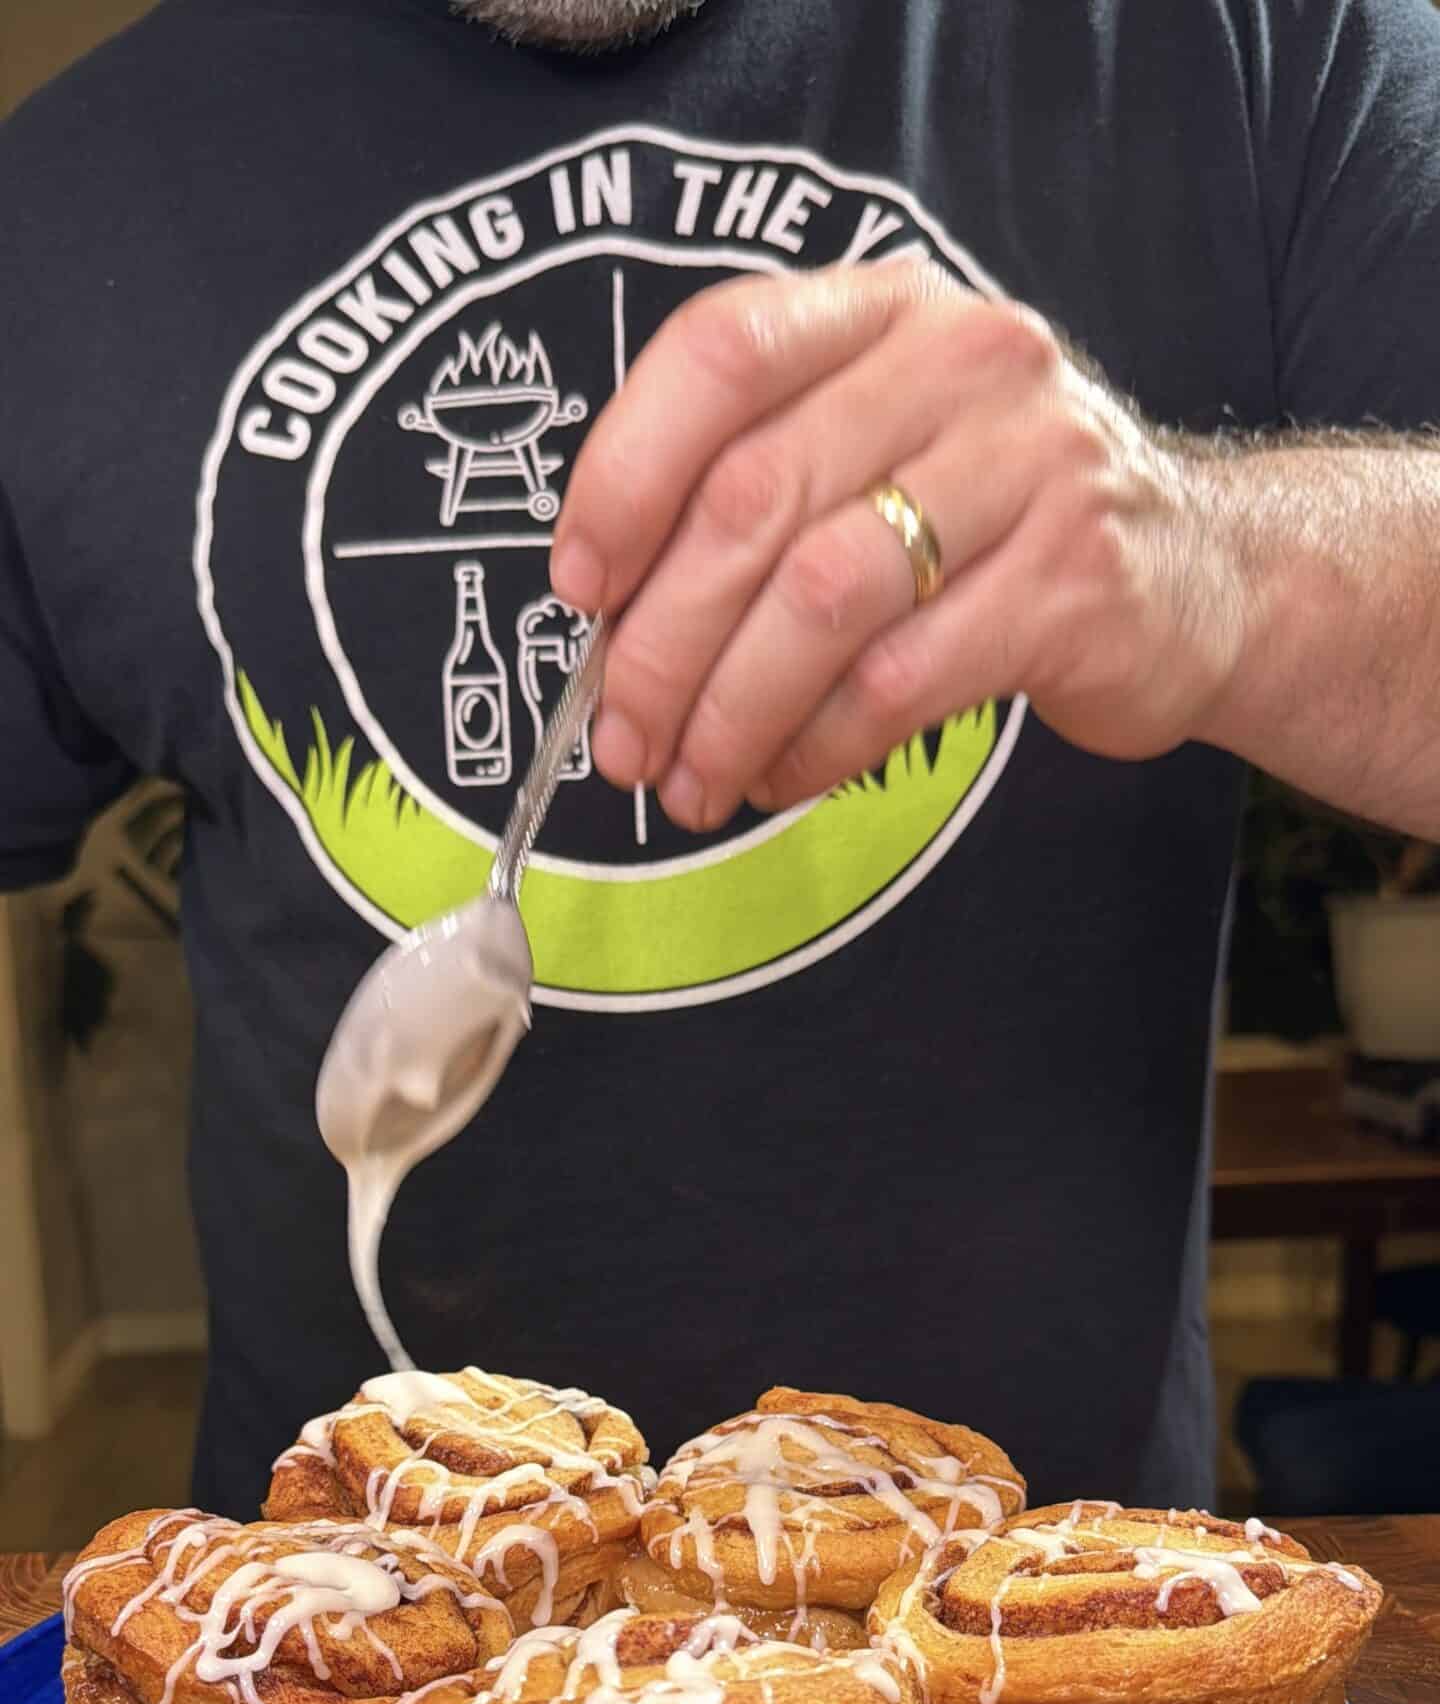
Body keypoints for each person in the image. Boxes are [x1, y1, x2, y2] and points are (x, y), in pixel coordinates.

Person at [2, 0, 1439, 1518]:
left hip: (1031, 1654)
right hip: (340, 1657)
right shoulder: (64, 200)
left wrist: (1221, 566)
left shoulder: (1258, 40)